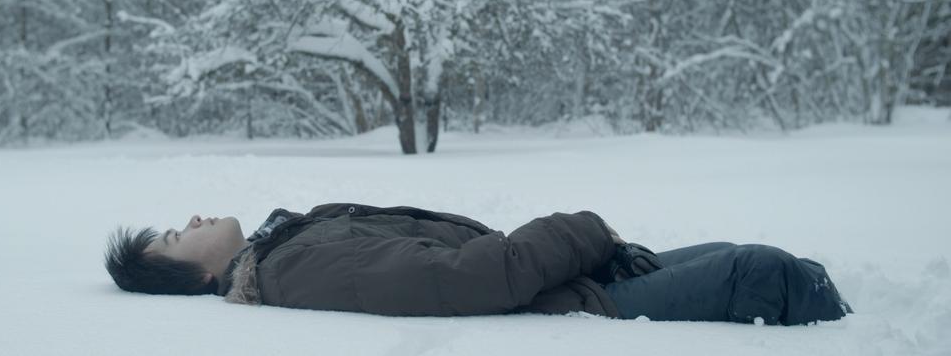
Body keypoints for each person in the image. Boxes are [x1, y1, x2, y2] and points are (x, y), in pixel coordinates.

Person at [105, 203, 851, 325]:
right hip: (570, 305)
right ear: (194, 277)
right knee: (763, 272)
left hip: (575, 273)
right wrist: (584, 229)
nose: (191, 220)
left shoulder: (284, 243)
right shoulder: (292, 270)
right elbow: (459, 278)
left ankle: (846, 318)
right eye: (174, 236)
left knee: (739, 258)